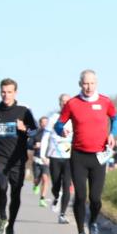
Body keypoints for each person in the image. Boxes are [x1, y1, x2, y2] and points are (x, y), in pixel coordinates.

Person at [55, 70, 117, 234]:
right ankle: (81, 233)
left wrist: (112, 134)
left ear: (96, 83)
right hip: (78, 156)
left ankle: (93, 224)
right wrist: (62, 129)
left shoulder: (105, 101)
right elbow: (58, 124)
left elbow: (115, 118)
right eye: (85, 83)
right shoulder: (72, 103)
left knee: (96, 198)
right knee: (81, 196)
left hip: (99, 156)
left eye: (91, 83)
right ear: (80, 84)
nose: (88, 87)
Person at [0, 78, 38, 234]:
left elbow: (35, 131)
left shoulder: (23, 111)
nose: (6, 95)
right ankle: (2, 217)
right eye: (3, 92)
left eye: (9, 92)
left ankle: (11, 227)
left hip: (18, 159)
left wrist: (24, 128)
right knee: (2, 186)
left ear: (15, 93)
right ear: (0, 92)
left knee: (15, 193)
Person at [40, 94, 73, 224]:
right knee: (56, 185)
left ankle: (62, 214)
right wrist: (43, 154)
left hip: (69, 157)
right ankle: (56, 196)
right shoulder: (53, 118)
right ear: (59, 103)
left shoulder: (74, 118)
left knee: (66, 185)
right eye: (63, 102)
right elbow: (45, 137)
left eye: (67, 102)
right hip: (54, 156)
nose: (65, 104)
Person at [28, 115, 50, 205]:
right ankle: (36, 184)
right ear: (40, 124)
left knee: (45, 179)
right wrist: (34, 146)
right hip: (37, 159)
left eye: (46, 122)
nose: (44, 124)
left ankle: (42, 199)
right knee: (37, 178)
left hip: (46, 160)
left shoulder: (51, 134)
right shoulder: (36, 133)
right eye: (43, 122)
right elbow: (28, 145)